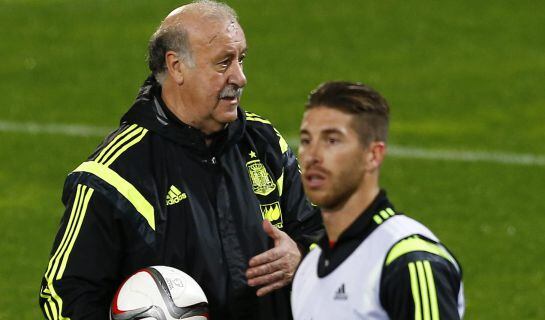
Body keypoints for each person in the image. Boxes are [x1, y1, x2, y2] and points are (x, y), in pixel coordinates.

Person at [39, 1, 322, 319]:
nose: (240, 78)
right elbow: (63, 296)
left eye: (241, 59)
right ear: (176, 67)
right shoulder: (115, 175)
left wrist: (302, 254)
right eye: (223, 63)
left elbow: (324, 231)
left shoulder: (264, 142)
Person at [291, 81, 465, 319]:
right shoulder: (309, 269)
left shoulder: (409, 261)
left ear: (373, 155)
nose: (312, 156)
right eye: (306, 140)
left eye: (332, 140)